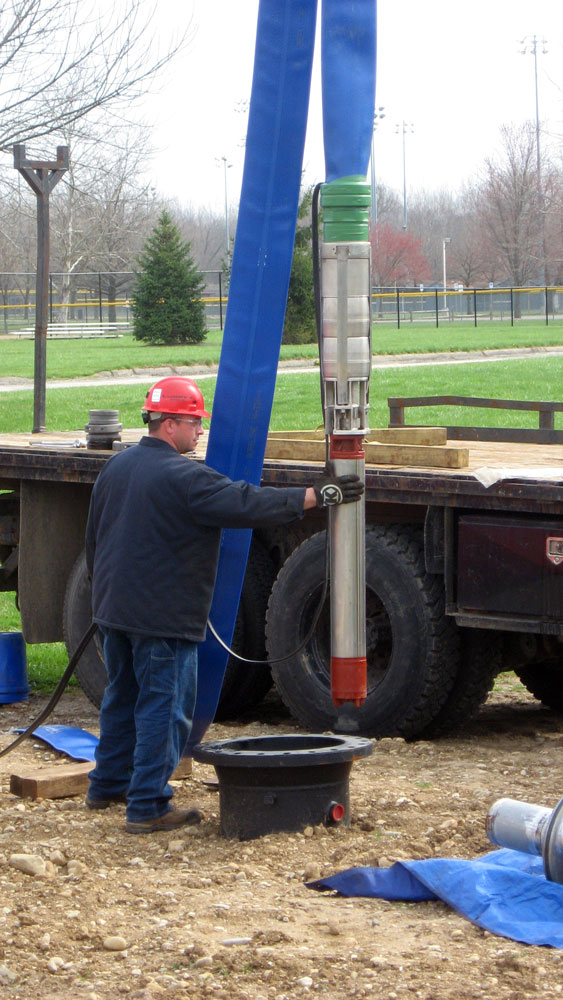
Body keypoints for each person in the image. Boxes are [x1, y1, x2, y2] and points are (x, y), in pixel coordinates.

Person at [85, 376, 363, 834]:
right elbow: (245, 502)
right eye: (194, 422)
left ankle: (108, 786)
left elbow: (94, 537)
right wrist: (316, 496)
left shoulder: (116, 468)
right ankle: (148, 806)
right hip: (161, 618)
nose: (199, 432)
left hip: (114, 611)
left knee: (122, 698)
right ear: (169, 424)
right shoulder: (185, 477)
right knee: (164, 707)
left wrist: (103, 599)